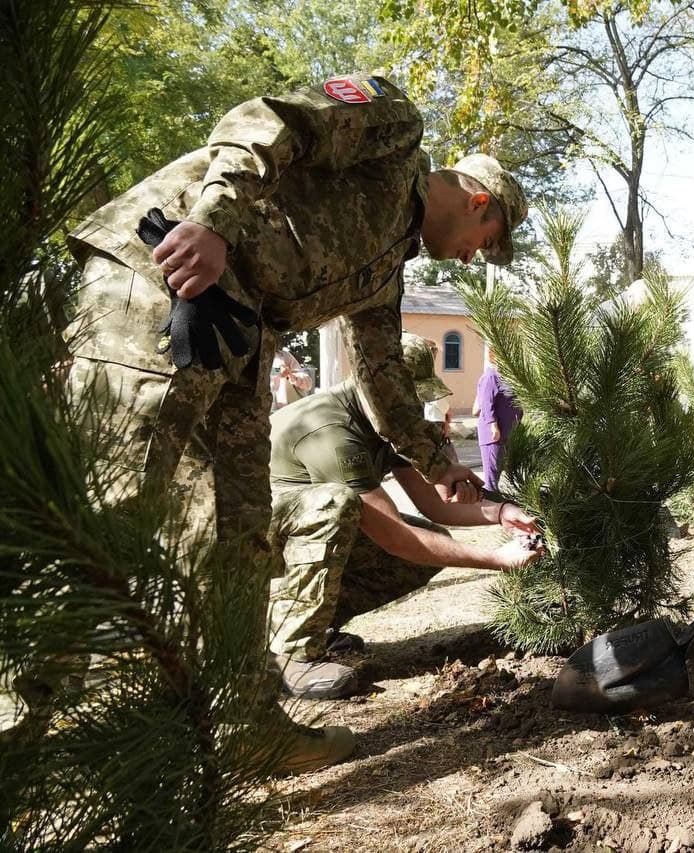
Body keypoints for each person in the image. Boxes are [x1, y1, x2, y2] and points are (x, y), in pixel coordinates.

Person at [62, 72, 528, 773]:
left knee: (239, 531)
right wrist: (214, 223)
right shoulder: (394, 130)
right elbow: (265, 117)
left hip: (239, 336)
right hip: (167, 273)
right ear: (480, 202)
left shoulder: (386, 268)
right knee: (114, 502)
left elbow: (381, 377)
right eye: (484, 242)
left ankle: (246, 722)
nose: (471, 258)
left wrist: (440, 464)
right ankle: (33, 721)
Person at [267, 334, 544, 699]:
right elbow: (395, 537)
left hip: (296, 534)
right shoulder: (329, 430)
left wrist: (501, 512)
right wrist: (497, 560)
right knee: (337, 504)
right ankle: (292, 652)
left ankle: (317, 627)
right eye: (405, 397)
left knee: (434, 543)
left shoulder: (386, 424)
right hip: (253, 543)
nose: (411, 406)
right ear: (376, 390)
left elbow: (435, 505)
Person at [473, 348, 523, 491]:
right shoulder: (491, 376)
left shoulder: (510, 378)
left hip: (508, 432)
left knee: (498, 472)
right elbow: (486, 404)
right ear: (494, 357)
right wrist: (493, 426)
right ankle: (490, 508)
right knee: (492, 478)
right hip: (493, 435)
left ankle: (495, 504)